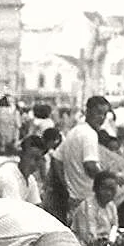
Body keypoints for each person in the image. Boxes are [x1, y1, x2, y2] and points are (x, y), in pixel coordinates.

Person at [50, 95, 111, 223]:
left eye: (104, 114)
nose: (102, 118)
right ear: (88, 112)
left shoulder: (74, 131)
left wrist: (66, 185)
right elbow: (90, 166)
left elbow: (56, 159)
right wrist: (108, 178)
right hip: (87, 193)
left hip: (74, 194)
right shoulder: (90, 134)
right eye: (98, 113)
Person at [0, 134, 43, 205]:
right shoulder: (9, 177)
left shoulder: (31, 180)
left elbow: (37, 207)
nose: (33, 163)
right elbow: (13, 212)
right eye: (30, 157)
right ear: (21, 154)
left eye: (37, 159)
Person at [71, 170, 119, 245]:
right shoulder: (87, 207)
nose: (109, 193)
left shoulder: (111, 206)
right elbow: (89, 238)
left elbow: (114, 227)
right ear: (95, 189)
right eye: (105, 189)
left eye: (112, 189)